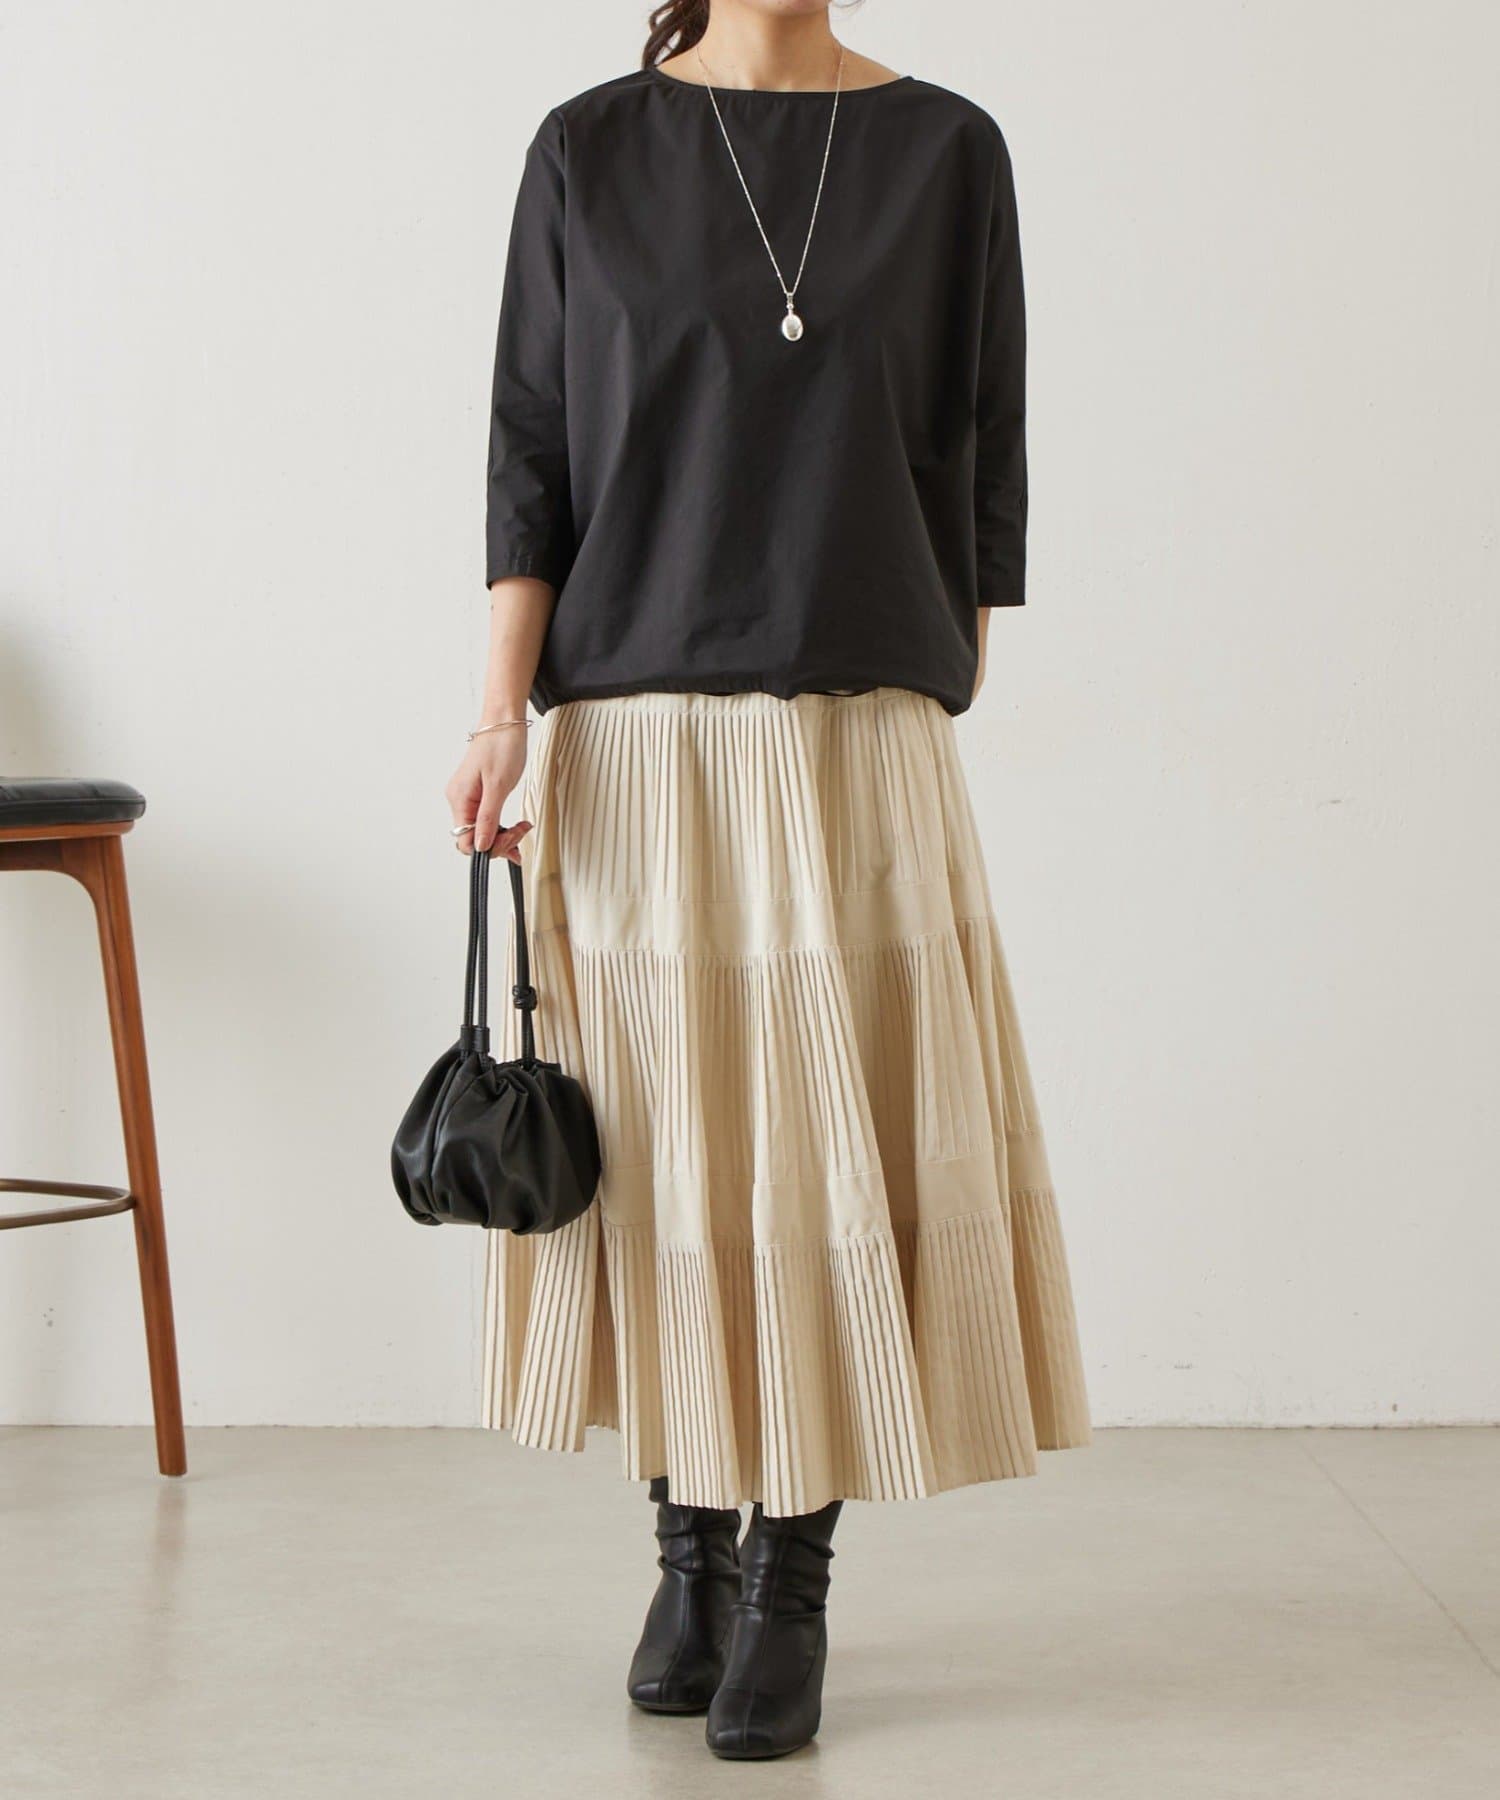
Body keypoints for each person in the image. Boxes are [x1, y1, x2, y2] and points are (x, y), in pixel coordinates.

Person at [445, 0, 1090, 1762]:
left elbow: (983, 445)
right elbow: (530, 454)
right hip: (639, 737)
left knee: (822, 1157)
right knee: (670, 1159)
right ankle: (688, 1557)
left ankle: (790, 1579)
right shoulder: (589, 149)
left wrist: (926, 682)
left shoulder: (947, 151)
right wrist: (498, 717)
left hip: (853, 732)